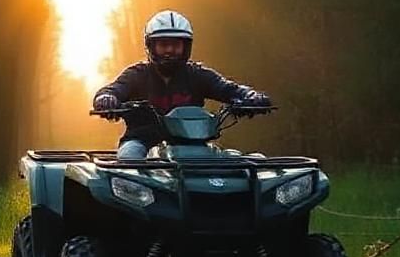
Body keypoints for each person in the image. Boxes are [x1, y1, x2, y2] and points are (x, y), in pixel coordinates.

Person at [93, 9, 271, 159]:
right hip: (142, 142)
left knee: (246, 163)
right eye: (163, 45)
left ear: (186, 47)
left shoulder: (197, 74)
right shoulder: (137, 74)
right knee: (128, 160)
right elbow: (113, 89)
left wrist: (250, 96)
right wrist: (106, 98)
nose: (170, 50)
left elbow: (228, 88)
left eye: (176, 45)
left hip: (194, 145)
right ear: (151, 46)